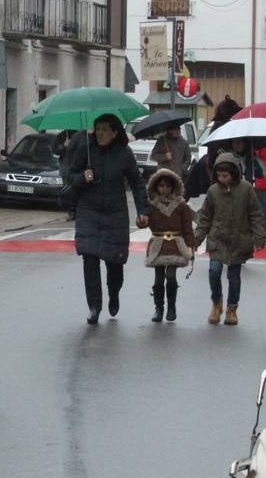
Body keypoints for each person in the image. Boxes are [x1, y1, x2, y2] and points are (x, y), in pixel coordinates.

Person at [69, 113, 148, 324]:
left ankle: (114, 292)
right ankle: (94, 305)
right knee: (89, 256)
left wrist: (143, 210)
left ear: (115, 132)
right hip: (88, 211)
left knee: (115, 263)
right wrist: (81, 178)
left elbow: (137, 183)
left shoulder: (124, 154)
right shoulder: (86, 150)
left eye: (105, 129)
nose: (100, 133)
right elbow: (70, 175)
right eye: (98, 129)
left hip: (115, 214)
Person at [193, 151, 266, 327]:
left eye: (225, 175)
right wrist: (196, 240)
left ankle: (232, 308)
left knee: (234, 277)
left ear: (234, 173)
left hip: (239, 240)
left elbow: (255, 214)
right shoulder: (213, 191)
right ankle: (216, 304)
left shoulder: (246, 189)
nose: (221, 179)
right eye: (218, 175)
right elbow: (205, 217)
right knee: (214, 271)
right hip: (217, 238)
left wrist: (259, 237)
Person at [143, 168, 196, 322]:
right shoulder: (151, 205)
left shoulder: (181, 206)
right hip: (158, 244)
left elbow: (187, 228)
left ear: (173, 187)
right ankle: (159, 308)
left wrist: (191, 247)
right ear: (155, 187)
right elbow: (143, 220)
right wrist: (141, 221)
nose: (164, 189)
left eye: (167, 186)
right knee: (158, 280)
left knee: (171, 276)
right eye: (161, 186)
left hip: (176, 244)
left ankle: (171, 306)